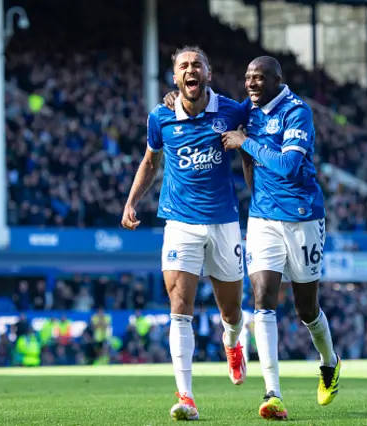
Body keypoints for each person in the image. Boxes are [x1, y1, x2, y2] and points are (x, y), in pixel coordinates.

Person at [165, 56, 341, 419]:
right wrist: (178, 97)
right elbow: (212, 115)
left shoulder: (297, 112)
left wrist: (246, 142)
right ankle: (272, 393)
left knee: (307, 309)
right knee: (262, 300)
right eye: (247, 77)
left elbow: (289, 167)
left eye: (259, 78)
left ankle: (330, 362)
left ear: (278, 80)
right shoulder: (248, 108)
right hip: (262, 219)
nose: (251, 84)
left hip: (304, 216)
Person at [122, 46, 247, 422]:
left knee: (232, 311)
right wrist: (131, 202)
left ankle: (232, 343)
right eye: (183, 66)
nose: (190, 71)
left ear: (208, 73)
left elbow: (259, 126)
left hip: (224, 222)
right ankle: (186, 396)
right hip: (179, 223)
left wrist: (244, 136)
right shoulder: (161, 117)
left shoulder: (231, 111)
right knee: (180, 308)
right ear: (175, 78)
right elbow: (150, 161)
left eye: (197, 65)